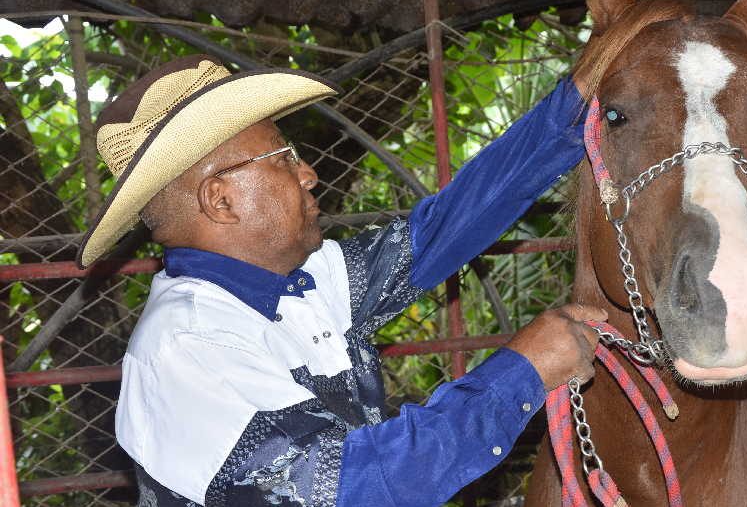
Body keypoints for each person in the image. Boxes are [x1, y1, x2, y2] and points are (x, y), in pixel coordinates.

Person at [78, 54, 605, 507]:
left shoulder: (297, 282)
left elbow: (444, 229)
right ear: (220, 199)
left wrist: (574, 103)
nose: (308, 173)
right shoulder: (185, 346)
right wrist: (523, 371)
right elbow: (359, 487)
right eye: (282, 158)